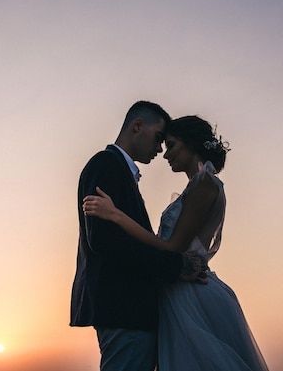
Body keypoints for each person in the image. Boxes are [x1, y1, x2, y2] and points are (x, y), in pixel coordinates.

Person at [83, 116, 269, 371]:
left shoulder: (205, 184)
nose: (165, 153)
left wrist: (116, 215)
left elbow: (172, 247)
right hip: (175, 291)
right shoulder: (196, 186)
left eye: (170, 145)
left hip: (191, 296)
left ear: (191, 144)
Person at [70, 102, 209, 371]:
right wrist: (175, 266)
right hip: (124, 308)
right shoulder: (105, 164)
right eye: (158, 139)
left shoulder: (119, 171)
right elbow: (104, 240)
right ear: (137, 126)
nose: (160, 150)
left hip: (131, 310)